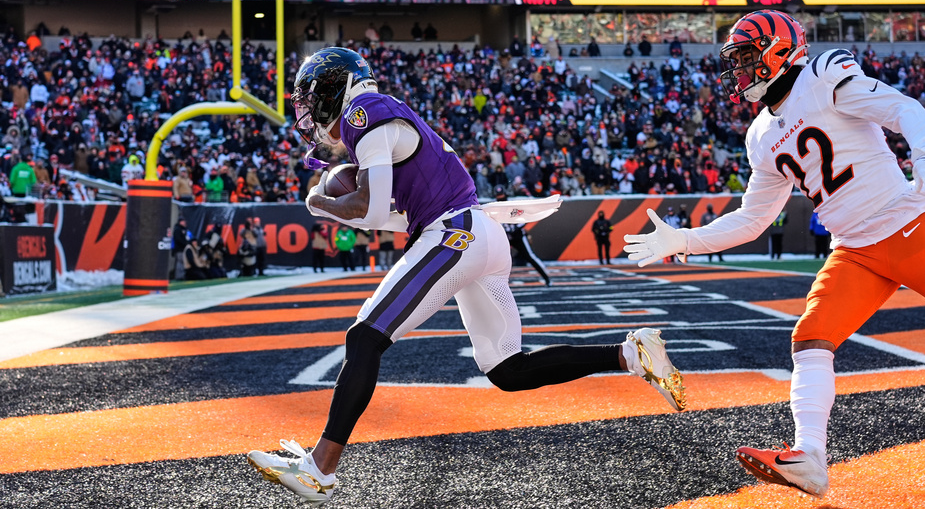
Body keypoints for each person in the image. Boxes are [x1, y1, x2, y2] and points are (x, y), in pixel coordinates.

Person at [248, 47, 685, 503]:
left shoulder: (364, 112)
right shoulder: (386, 120)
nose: (310, 109)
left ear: (338, 87)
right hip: (478, 232)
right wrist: (346, 204)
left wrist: (319, 202)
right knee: (508, 369)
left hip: (457, 232)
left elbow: (371, 208)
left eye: (312, 96)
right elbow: (391, 217)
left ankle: (320, 468)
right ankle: (631, 354)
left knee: (365, 338)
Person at [623, 9, 925, 500]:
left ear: (779, 50)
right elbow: (753, 220)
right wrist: (684, 240)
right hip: (853, 251)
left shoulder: (822, 75)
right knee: (810, 337)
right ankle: (810, 456)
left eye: (748, 56)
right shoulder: (760, 135)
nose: (740, 70)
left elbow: (902, 108)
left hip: (908, 227)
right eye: (737, 59)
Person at [495, 186, 551, 286]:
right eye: (498, 196)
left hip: (517, 236)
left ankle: (546, 277)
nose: (500, 197)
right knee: (496, 259)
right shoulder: (494, 207)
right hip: (505, 237)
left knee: (529, 256)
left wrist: (516, 228)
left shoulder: (513, 204)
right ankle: (494, 282)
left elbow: (524, 217)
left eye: (501, 195)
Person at [172, 216, 191, 280]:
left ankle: (181, 275)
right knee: (180, 262)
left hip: (182, 249)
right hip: (179, 249)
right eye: (183, 221)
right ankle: (179, 276)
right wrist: (185, 244)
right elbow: (178, 239)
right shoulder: (177, 229)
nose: (184, 223)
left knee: (182, 262)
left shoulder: (184, 229)